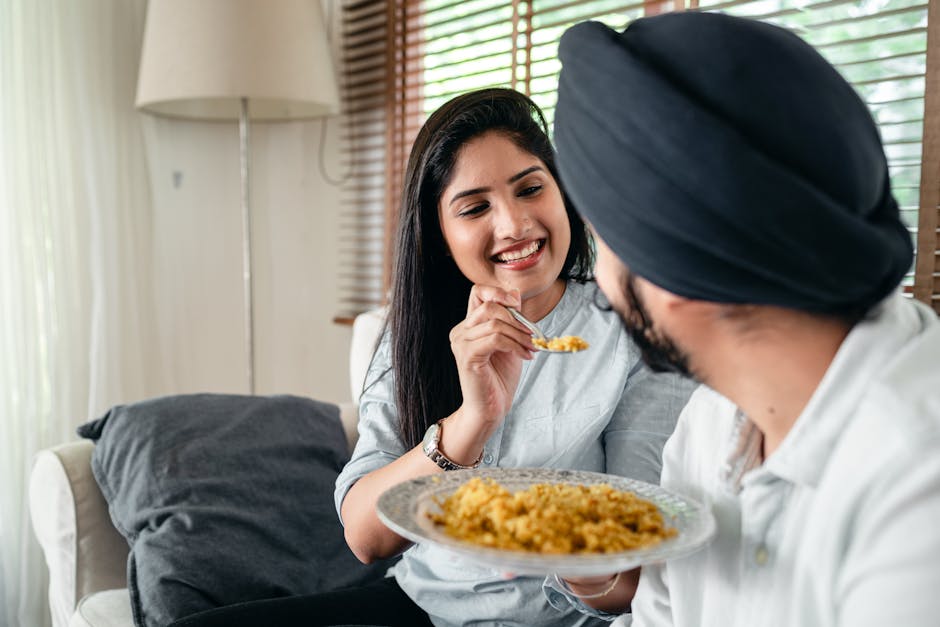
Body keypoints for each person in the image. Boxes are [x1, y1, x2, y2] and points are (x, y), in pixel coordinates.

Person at [168, 88, 694, 627]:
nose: (514, 225)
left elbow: (636, 574)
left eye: (531, 189)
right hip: (425, 605)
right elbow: (366, 538)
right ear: (441, 234)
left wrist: (584, 563)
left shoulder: (634, 330)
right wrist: (473, 420)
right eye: (474, 207)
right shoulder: (413, 330)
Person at [552, 12, 940, 627]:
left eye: (603, 242)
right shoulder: (707, 429)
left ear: (672, 272)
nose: (598, 281)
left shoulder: (919, 488)